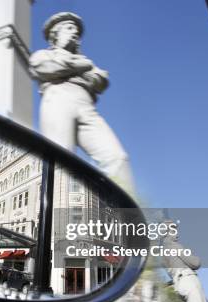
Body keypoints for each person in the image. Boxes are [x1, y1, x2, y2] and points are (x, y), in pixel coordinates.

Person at [29, 12, 135, 195]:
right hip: (58, 99)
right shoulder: (43, 55)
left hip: (86, 105)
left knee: (117, 157)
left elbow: (101, 80)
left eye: (76, 30)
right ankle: (56, 220)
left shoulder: (86, 61)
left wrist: (73, 67)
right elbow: (43, 68)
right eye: (69, 28)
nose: (75, 33)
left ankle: (128, 216)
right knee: (62, 162)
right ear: (56, 33)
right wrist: (79, 65)